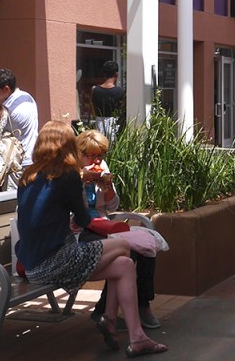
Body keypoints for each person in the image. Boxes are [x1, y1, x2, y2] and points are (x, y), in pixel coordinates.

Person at [16, 121, 167, 356]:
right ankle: (109, 317)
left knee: (125, 265)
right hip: (58, 260)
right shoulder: (67, 176)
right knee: (124, 245)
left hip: (33, 265)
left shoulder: (28, 176)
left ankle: (137, 338)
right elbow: (83, 219)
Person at [75, 130, 162, 331]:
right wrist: (82, 180)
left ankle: (143, 304)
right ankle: (102, 311)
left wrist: (106, 186)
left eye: (100, 155)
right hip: (81, 230)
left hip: (103, 224)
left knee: (146, 246)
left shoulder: (102, 168)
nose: (96, 160)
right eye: (91, 155)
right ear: (80, 154)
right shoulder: (71, 174)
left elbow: (112, 206)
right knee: (127, 253)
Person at [0, 68, 39, 188]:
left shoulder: (8, 111)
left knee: (13, 197)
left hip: (15, 163)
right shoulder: (27, 97)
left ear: (6, 89)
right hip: (32, 157)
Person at [92, 61, 125, 140]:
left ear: (104, 74)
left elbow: (93, 110)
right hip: (114, 126)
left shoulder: (95, 90)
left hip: (99, 125)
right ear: (116, 74)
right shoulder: (121, 92)